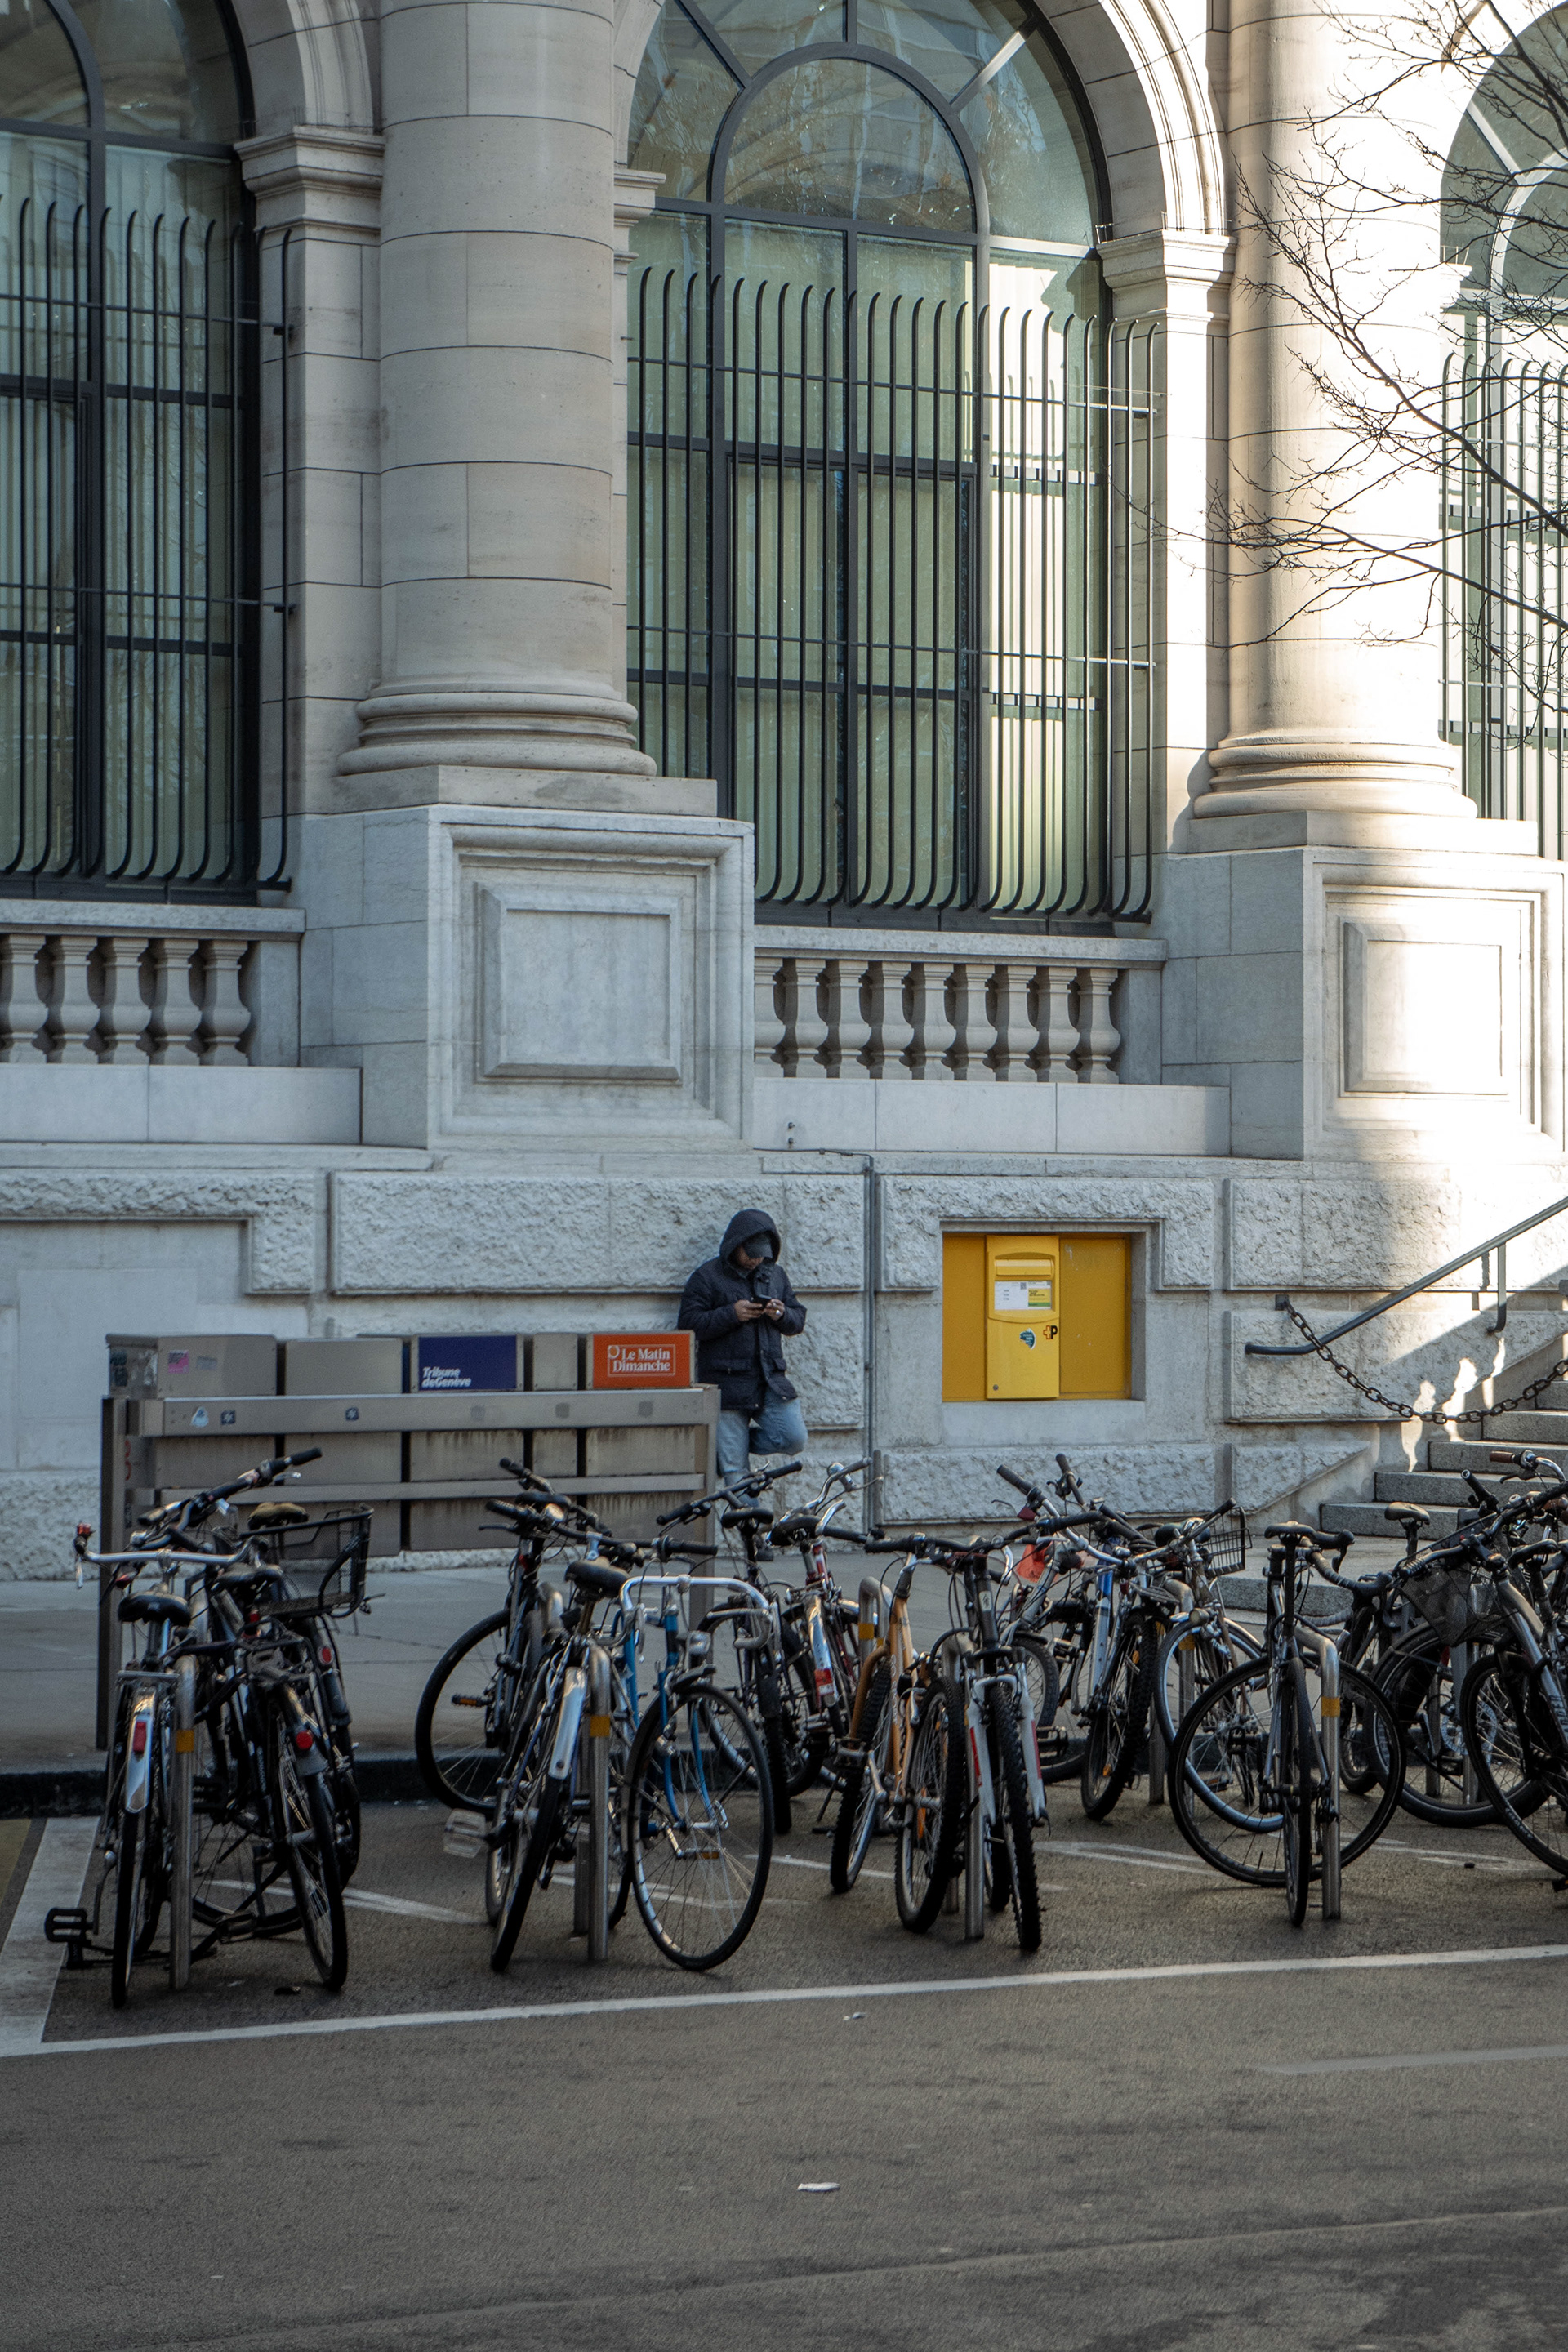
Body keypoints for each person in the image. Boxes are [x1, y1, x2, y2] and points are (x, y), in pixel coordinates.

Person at [679, 1208, 808, 1486]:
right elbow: (688, 1326)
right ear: (735, 1246)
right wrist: (731, 1314)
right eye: (751, 1254)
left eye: (762, 1255)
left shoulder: (776, 1275)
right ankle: (746, 1526)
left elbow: (798, 1320)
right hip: (727, 1387)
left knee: (794, 1437)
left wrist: (781, 1314)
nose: (756, 1261)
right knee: (737, 1474)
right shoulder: (707, 1276)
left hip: (769, 1380)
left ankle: (726, 1447)